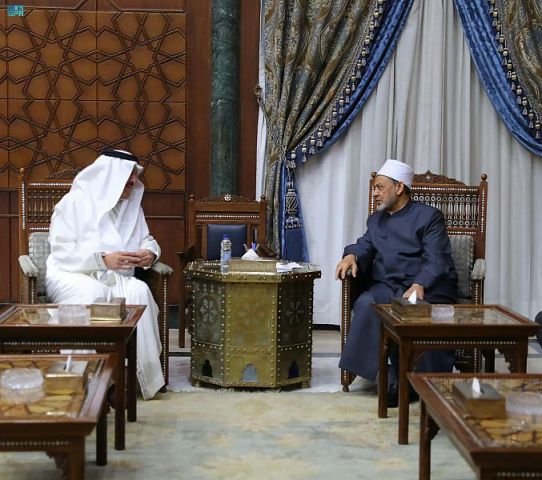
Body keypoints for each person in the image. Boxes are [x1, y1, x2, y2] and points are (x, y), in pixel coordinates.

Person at [335, 159, 458, 406]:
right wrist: (351, 256)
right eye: (374, 188)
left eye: (380, 187)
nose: (375, 193)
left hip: (423, 287)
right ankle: (382, 375)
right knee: (366, 303)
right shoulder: (375, 220)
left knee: (418, 313)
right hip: (387, 287)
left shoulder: (429, 217)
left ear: (399, 187)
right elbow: (364, 245)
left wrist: (421, 283)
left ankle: (418, 381)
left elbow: (437, 258)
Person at [46, 149, 165, 400]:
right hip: (71, 273)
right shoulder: (73, 203)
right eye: (129, 175)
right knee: (92, 293)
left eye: (135, 175)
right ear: (111, 176)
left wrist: (150, 253)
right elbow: (61, 251)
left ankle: (132, 378)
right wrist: (101, 260)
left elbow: (146, 238)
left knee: (139, 292)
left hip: (115, 276)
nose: (134, 181)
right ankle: (83, 377)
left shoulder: (131, 206)